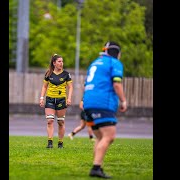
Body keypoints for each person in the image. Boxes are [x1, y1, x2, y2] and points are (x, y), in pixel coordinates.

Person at [83, 41, 127, 178]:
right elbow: (116, 84)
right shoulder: (114, 63)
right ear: (117, 53)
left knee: (99, 137)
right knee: (109, 136)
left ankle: (98, 167)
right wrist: (123, 100)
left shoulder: (95, 63)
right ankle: (96, 168)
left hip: (88, 102)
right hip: (102, 103)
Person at [39, 54, 73, 148]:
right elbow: (44, 86)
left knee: (60, 122)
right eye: (59, 61)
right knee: (50, 120)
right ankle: (50, 143)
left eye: (62, 61)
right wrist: (42, 98)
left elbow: (70, 87)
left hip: (61, 100)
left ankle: (60, 143)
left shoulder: (66, 74)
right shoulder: (48, 73)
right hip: (50, 99)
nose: (61, 63)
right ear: (54, 63)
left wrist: (69, 98)